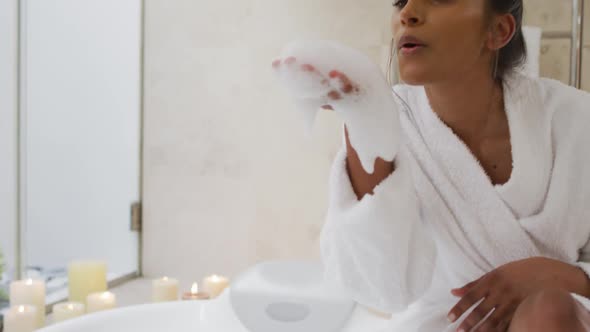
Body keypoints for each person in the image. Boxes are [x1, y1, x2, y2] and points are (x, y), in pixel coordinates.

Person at [273, 0, 590, 331]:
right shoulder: (384, 120)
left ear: (498, 30)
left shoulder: (578, 121)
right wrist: (364, 128)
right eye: (400, 2)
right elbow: (378, 290)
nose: (407, 13)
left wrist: (565, 277)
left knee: (549, 310)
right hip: (449, 323)